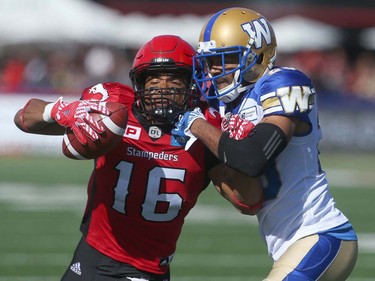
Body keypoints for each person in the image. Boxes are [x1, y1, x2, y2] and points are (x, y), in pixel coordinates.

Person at [14, 35, 263, 281]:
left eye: (174, 78)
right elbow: (23, 119)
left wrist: (236, 149)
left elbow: (248, 201)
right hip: (92, 258)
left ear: (192, 83)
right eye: (153, 77)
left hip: (150, 270)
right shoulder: (114, 109)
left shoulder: (205, 128)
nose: (163, 87)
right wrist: (58, 110)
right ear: (139, 83)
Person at [172, 7, 358, 281]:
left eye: (226, 60)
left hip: (321, 235)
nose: (214, 70)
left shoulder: (283, 83)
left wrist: (197, 125)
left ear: (257, 55)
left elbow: (253, 157)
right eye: (210, 62)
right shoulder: (223, 108)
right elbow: (248, 201)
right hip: (289, 247)